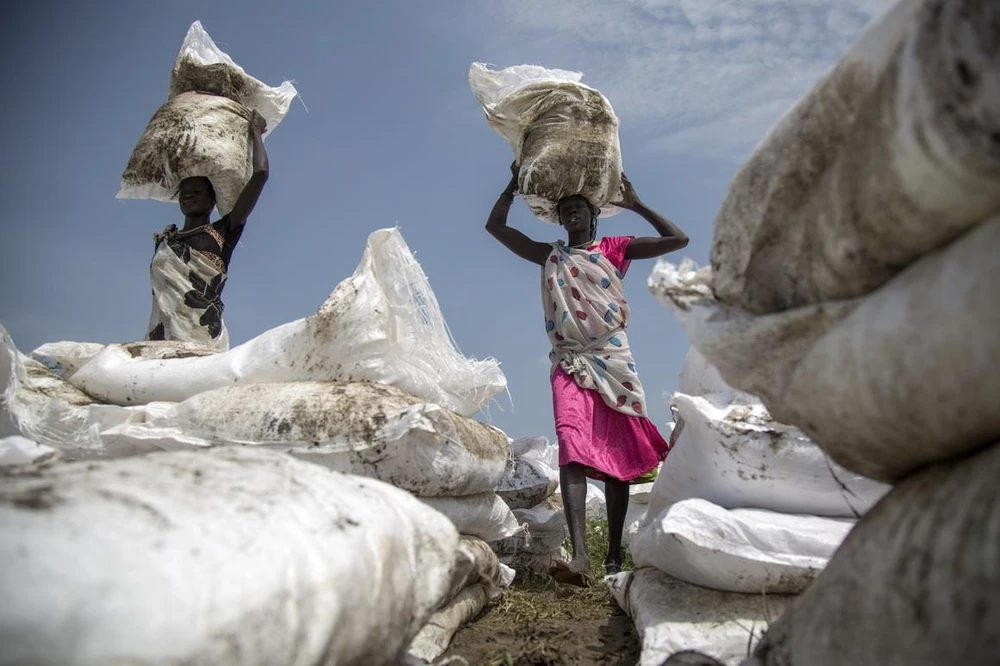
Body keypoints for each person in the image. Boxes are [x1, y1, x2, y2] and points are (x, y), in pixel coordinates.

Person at [485, 162, 688, 586]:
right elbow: (496, 228)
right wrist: (511, 186)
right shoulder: (551, 255)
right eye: (566, 210)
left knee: (616, 457)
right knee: (572, 443)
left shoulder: (614, 249)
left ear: (593, 216)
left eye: (580, 208)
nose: (573, 213)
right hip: (569, 360)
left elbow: (677, 238)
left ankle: (613, 557)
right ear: (560, 220)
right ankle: (581, 558)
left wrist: (636, 204)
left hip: (614, 362)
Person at [145, 109, 269, 351]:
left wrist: (255, 133)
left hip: (201, 337)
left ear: (213, 199)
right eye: (184, 191)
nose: (189, 195)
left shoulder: (224, 231)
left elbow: (261, 173)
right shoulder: (166, 241)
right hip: (161, 339)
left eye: (197, 191)